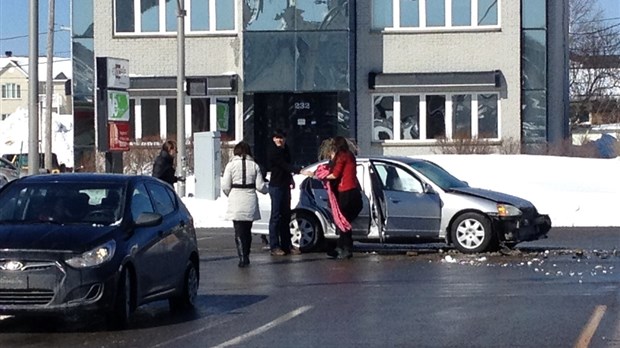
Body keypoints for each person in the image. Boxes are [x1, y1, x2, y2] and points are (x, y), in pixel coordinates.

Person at [303, 136, 362, 259]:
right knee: (344, 221)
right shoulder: (350, 155)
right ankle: (340, 247)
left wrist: (317, 175)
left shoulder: (341, 156)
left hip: (345, 192)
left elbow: (335, 175)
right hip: (354, 191)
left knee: (343, 221)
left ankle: (346, 248)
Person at [222, 141, 269, 267]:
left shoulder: (230, 166)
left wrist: (230, 194)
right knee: (247, 230)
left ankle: (242, 257)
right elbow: (260, 186)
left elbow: (225, 186)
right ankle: (247, 255)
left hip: (236, 198)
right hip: (250, 199)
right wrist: (267, 189)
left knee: (238, 230)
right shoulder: (254, 165)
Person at [267, 129, 301, 256]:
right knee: (276, 217)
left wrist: (291, 179)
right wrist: (299, 171)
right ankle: (274, 246)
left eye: (281, 137)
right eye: (277, 137)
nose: (279, 140)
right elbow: (284, 166)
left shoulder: (286, 150)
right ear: (273, 139)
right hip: (276, 186)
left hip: (285, 185)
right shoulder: (273, 151)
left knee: (286, 216)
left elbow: (287, 166)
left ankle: (286, 245)